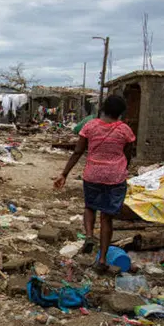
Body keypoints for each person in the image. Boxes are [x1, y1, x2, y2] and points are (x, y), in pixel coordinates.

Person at [53, 95, 135, 273]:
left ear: (103, 109)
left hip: (93, 174)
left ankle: (89, 235)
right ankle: (103, 260)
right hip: (115, 178)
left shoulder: (90, 126)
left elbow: (78, 152)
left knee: (90, 207)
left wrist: (64, 174)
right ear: (121, 113)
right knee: (107, 217)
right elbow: (128, 154)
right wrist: (120, 168)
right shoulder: (125, 130)